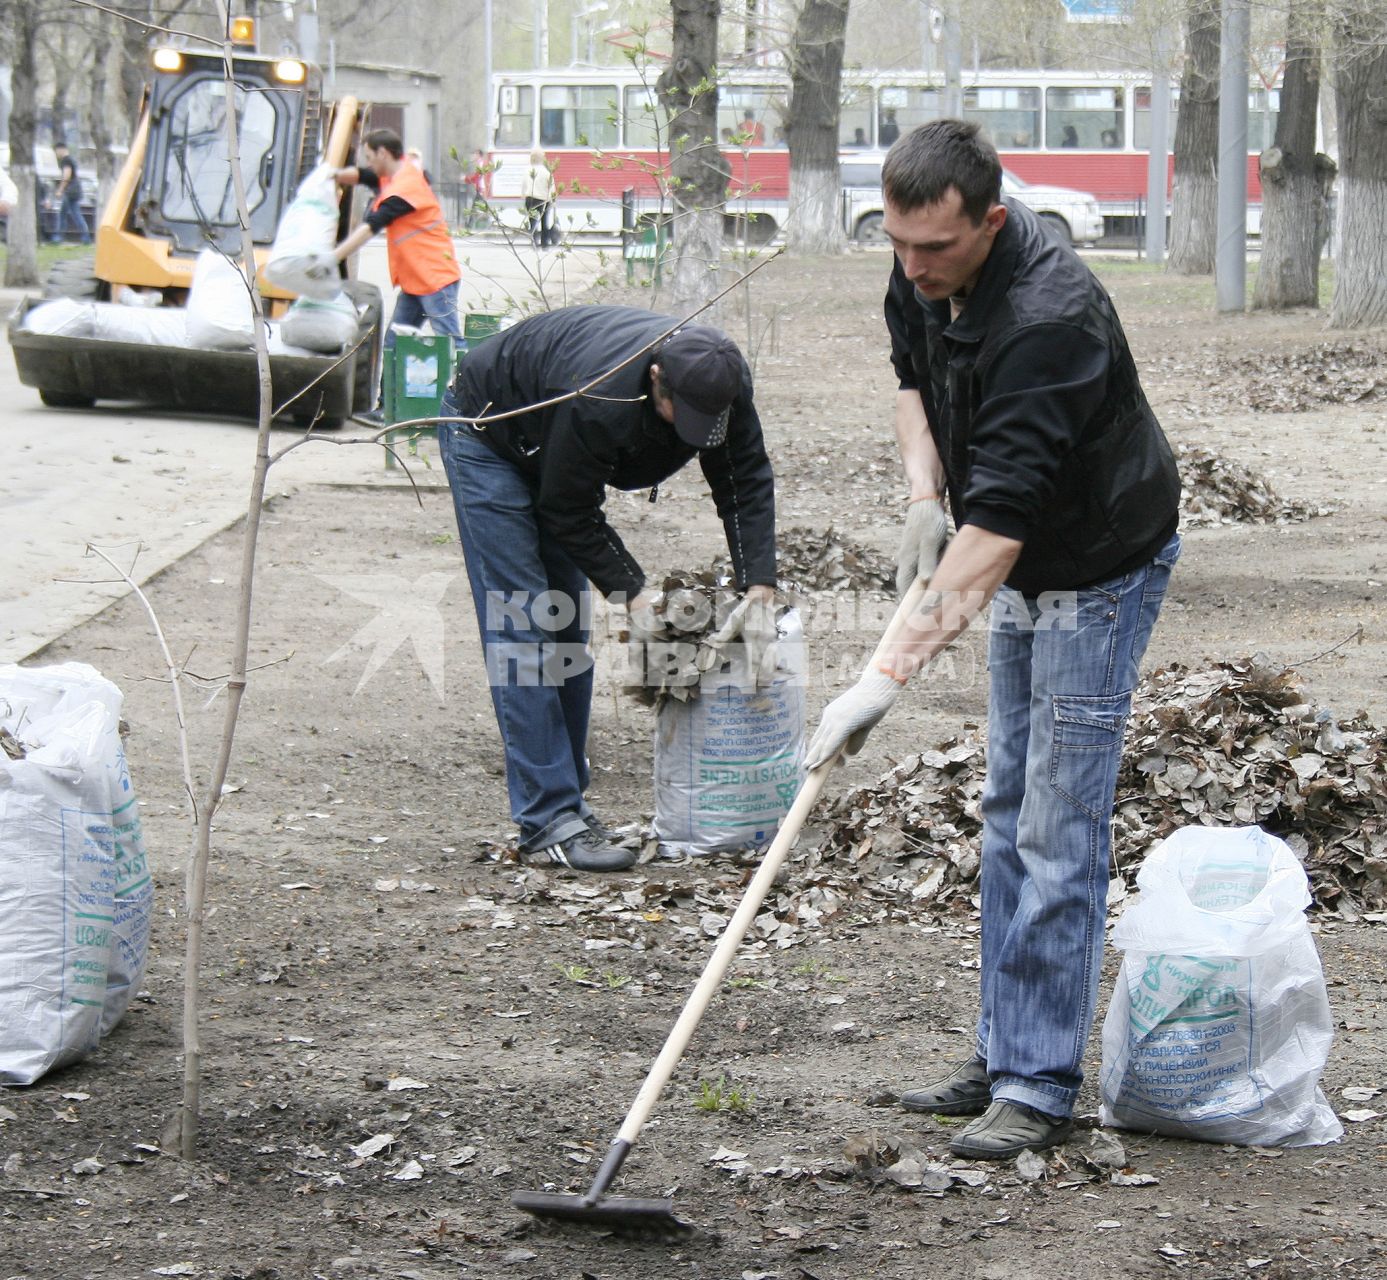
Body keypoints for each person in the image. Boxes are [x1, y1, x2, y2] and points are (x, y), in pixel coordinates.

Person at [804, 119, 1181, 1160]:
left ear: (993, 221)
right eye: (897, 243)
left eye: (936, 247)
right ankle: (1006, 1047)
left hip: (1095, 561)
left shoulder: (1050, 317)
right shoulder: (920, 272)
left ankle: (1037, 1084)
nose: (912, 265)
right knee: (1008, 803)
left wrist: (882, 677)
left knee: (1057, 818)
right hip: (1005, 544)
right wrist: (925, 493)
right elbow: (910, 382)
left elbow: (1004, 527)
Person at [436, 307, 778, 873]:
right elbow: (568, 510)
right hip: (490, 433)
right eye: (680, 415)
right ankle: (548, 819)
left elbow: (744, 476)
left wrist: (759, 586)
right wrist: (635, 596)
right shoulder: (599, 395)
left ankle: (568, 805)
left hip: (554, 443)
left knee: (566, 627)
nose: (691, 431)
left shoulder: (719, 380)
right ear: (654, 380)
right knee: (525, 624)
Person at [326, 127, 462, 421]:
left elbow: (370, 226)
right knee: (394, 344)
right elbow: (363, 175)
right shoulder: (394, 176)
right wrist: (329, 175)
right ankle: (387, 409)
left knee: (452, 344)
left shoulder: (404, 190)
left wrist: (333, 256)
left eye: (370, 157)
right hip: (417, 281)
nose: (369, 163)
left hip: (435, 279)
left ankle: (467, 408)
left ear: (384, 154)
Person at [50, 143, 90, 244]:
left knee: (63, 214)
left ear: (61, 149)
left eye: (56, 151)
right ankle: (85, 237)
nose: (56, 154)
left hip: (70, 191)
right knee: (75, 214)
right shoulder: (71, 159)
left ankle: (59, 237)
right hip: (75, 190)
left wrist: (60, 190)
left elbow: (66, 176)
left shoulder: (66, 160)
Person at [519, 147, 558, 248]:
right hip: (543, 200)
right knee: (544, 221)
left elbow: (524, 185)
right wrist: (553, 200)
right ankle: (544, 243)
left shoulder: (527, 171)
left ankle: (533, 241)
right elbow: (551, 187)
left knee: (532, 222)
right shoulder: (546, 172)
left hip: (530, 199)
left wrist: (523, 195)